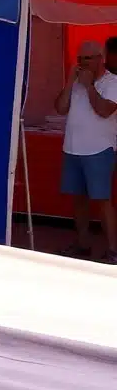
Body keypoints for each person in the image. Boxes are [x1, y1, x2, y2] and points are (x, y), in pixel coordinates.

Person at [55, 41, 117, 262]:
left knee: (102, 200)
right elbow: (60, 108)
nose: (83, 63)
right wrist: (70, 82)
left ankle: (113, 250)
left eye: (87, 58)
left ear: (100, 59)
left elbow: (104, 111)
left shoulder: (112, 82)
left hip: (99, 150)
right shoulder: (77, 83)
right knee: (78, 199)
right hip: (72, 148)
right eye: (80, 58)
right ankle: (83, 244)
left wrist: (90, 86)